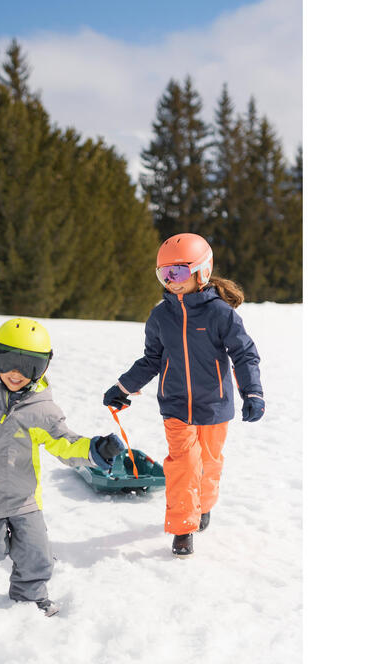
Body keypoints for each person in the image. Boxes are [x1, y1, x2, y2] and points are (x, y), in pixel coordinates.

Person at [0, 317, 125, 617]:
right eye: (9, 360)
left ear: (44, 367)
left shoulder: (42, 410)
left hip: (23, 499)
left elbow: (64, 443)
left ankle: (30, 595)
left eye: (29, 366)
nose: (16, 373)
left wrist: (94, 450)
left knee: (37, 554)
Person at [103, 233, 264, 558]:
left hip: (215, 406)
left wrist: (253, 392)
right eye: (164, 275)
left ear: (202, 272)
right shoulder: (162, 315)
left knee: (209, 462)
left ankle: (204, 505)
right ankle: (182, 527)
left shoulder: (221, 314)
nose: (171, 282)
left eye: (177, 273)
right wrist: (122, 387)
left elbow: (244, 354)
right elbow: (151, 359)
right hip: (176, 406)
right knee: (183, 465)